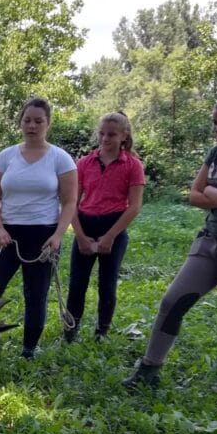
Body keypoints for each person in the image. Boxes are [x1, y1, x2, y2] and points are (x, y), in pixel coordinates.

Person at [122, 92, 217, 404]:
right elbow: (192, 195)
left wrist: (211, 192)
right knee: (172, 301)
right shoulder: (216, 151)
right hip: (211, 238)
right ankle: (149, 369)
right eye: (215, 123)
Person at [0, 97, 78, 358]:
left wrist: (58, 236)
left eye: (38, 121)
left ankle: (29, 349)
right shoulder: (6, 157)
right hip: (6, 236)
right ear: (20, 123)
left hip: (44, 237)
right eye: (27, 120)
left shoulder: (61, 159)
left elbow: (70, 201)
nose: (32, 126)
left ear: (48, 123)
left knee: (36, 295)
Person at [64, 112, 145, 342]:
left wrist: (110, 236)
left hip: (114, 226)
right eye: (102, 133)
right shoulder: (84, 163)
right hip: (86, 224)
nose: (105, 138)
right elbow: (71, 202)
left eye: (111, 134)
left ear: (123, 136)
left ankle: (102, 332)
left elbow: (134, 206)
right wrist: (80, 236)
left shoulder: (133, 165)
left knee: (107, 285)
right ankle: (70, 331)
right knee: (77, 284)